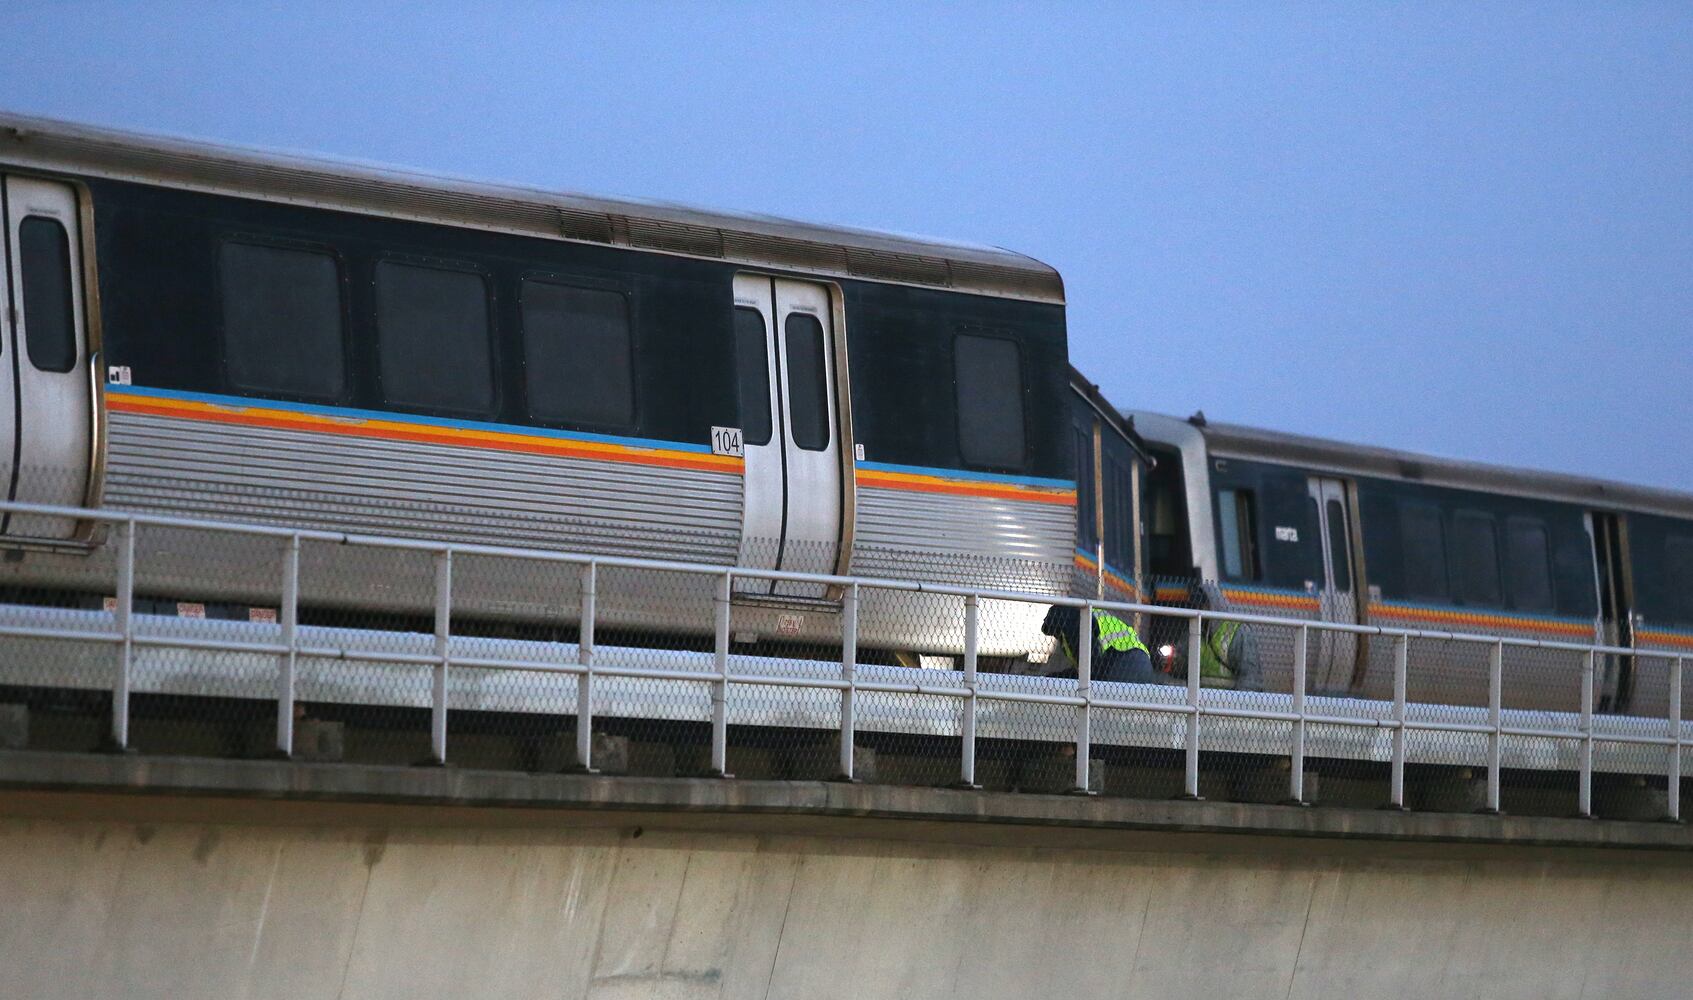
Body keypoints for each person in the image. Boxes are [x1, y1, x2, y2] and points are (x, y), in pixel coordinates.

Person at [1040, 604, 1163, 684]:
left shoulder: (1073, 624)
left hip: (1123, 661)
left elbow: (1091, 670)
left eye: (1054, 632)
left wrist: (1055, 680)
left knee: (1102, 700)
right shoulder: (1085, 614)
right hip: (1140, 661)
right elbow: (1087, 670)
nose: (1056, 637)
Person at [1195, 584, 1263, 691]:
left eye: (1202, 605)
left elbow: (1250, 677)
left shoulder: (1237, 632)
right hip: (1203, 701)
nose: (1199, 609)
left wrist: (1238, 702)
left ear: (1211, 605)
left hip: (1229, 701)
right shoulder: (1196, 632)